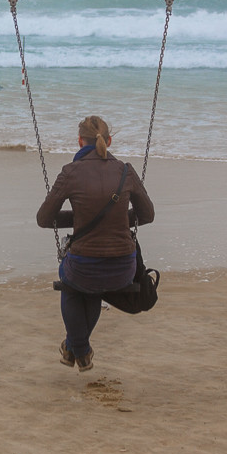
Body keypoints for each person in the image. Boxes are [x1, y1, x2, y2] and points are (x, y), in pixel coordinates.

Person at [35, 115, 154, 371]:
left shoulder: (70, 172)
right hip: (123, 270)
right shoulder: (126, 171)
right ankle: (76, 350)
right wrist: (116, 219)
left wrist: (80, 219)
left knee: (73, 281)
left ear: (80, 141)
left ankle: (78, 349)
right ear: (108, 141)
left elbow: (44, 219)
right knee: (92, 286)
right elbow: (147, 215)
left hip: (83, 268)